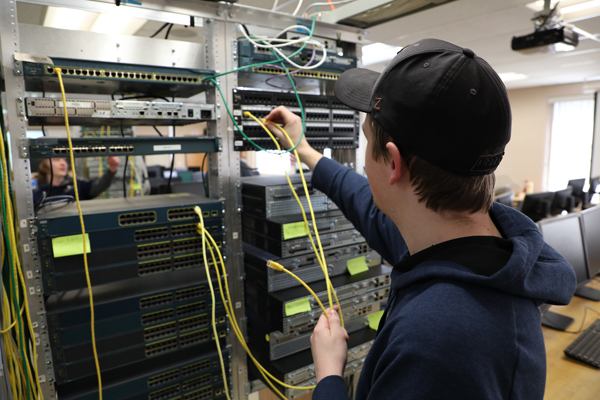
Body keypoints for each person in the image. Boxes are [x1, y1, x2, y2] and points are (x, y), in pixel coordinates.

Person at [264, 38, 576, 400]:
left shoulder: (435, 339)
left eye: (367, 140)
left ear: (393, 163)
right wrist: (304, 150)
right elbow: (367, 202)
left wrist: (330, 376)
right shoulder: (472, 250)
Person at [34, 156, 120, 204]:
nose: (63, 163)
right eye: (56, 159)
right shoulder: (37, 194)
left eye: (64, 160)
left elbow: (100, 185)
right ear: (44, 166)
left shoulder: (77, 186)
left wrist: (112, 169)